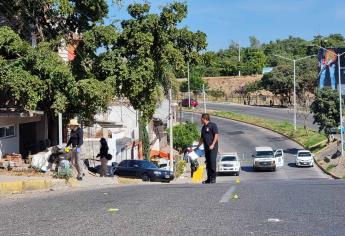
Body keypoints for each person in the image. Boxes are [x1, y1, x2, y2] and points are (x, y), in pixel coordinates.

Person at [196, 113, 219, 184]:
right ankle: (208, 179)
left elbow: (216, 135)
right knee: (208, 163)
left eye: (201, 118)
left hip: (213, 147)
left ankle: (213, 178)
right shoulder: (203, 128)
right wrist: (197, 147)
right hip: (206, 148)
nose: (200, 120)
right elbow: (202, 138)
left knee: (212, 162)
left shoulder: (213, 125)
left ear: (204, 118)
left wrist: (212, 144)